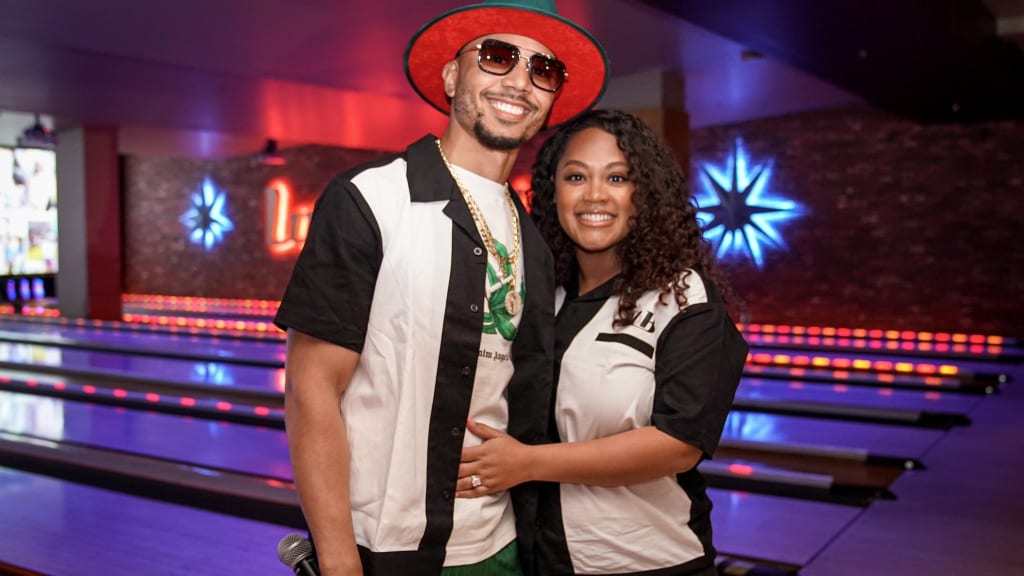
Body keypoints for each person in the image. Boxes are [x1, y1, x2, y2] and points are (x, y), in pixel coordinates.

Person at [272, 1, 608, 575]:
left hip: (501, 544)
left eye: (542, 70)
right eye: (498, 56)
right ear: (453, 76)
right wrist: (338, 561)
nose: (520, 81)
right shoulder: (371, 200)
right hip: (385, 547)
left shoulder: (536, 243)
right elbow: (311, 390)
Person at [455, 109, 749, 575]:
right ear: (553, 192)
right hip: (537, 560)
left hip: (648, 563)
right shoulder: (534, 297)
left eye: (618, 177)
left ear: (644, 194)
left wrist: (528, 463)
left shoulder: (684, 297)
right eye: (576, 176)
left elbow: (679, 444)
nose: (595, 195)